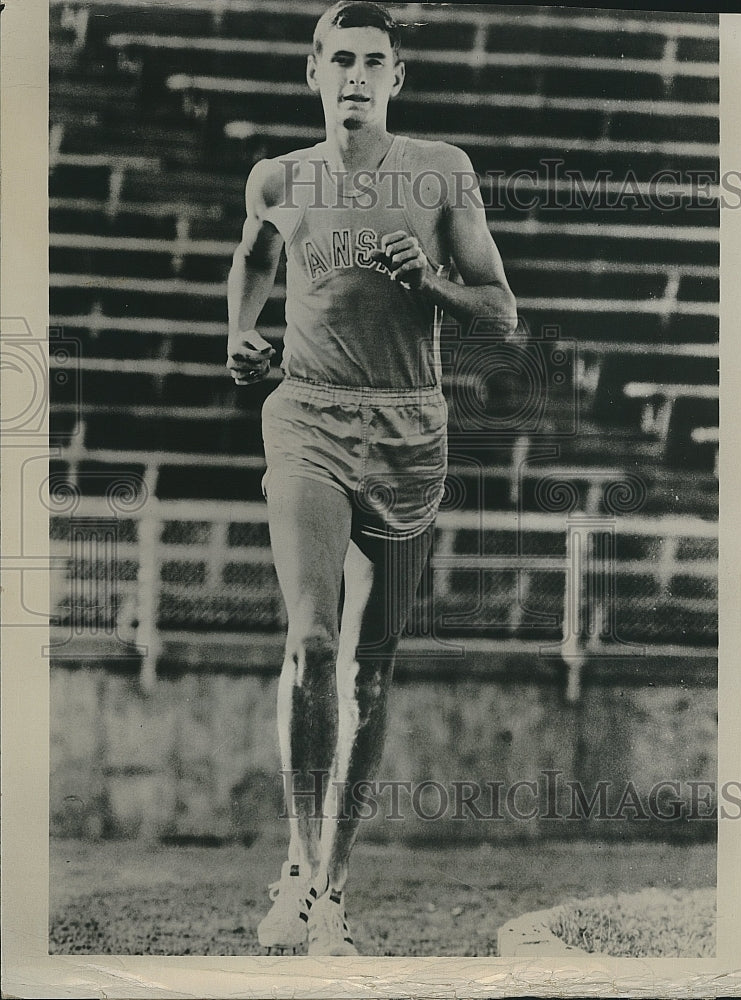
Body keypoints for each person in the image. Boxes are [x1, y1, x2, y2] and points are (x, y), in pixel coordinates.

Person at [226, 0, 516, 956]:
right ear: (313, 71)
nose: (356, 75)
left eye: (373, 62)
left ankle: (337, 888)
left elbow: (501, 312)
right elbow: (254, 258)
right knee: (309, 642)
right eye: (339, 58)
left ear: (397, 79)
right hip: (307, 414)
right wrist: (241, 331)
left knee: (370, 669)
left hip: (409, 429)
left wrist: (427, 279)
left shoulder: (442, 173)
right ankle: (301, 877)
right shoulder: (280, 175)